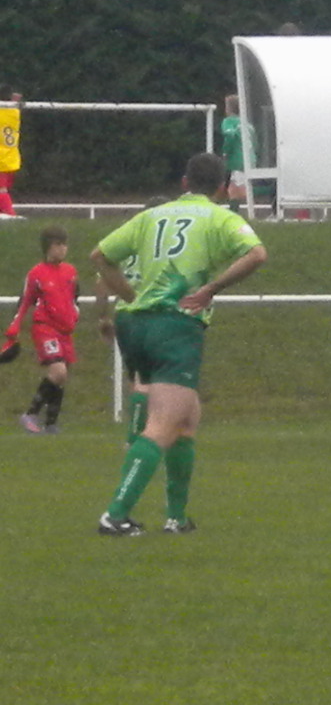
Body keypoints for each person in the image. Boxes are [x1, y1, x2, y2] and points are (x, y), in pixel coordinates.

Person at [91, 152, 267, 535]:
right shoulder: (218, 216)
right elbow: (257, 254)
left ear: (184, 182)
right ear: (222, 188)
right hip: (175, 325)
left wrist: (130, 294)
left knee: (186, 419)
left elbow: (100, 256)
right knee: (163, 423)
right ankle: (115, 515)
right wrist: (212, 287)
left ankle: (177, 518)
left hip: (135, 325)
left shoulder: (152, 215)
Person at [96, 195, 171, 447]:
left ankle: (140, 429)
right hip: (152, 314)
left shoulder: (127, 241)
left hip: (124, 317)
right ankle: (139, 436)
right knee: (152, 379)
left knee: (136, 378)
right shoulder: (166, 246)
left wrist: (103, 316)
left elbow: (102, 280)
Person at [5, 226, 79, 433]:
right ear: (48, 247)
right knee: (58, 371)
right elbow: (25, 302)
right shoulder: (36, 274)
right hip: (45, 327)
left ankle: (51, 423)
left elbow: (75, 299)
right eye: (58, 244)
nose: (63, 249)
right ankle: (30, 414)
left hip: (65, 330)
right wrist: (14, 327)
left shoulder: (71, 272)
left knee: (62, 376)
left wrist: (75, 316)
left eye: (65, 244)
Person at [220, 94, 253, 214]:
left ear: (228, 108)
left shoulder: (228, 121)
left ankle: (233, 214)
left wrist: (225, 152)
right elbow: (255, 141)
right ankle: (233, 213)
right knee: (235, 188)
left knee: (236, 190)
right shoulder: (247, 123)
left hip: (237, 159)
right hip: (250, 157)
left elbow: (230, 135)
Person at [0, 84, 23, 217]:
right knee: (4, 189)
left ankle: (11, 215)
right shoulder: (14, 112)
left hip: (1, 160)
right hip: (12, 158)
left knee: (1, 191)